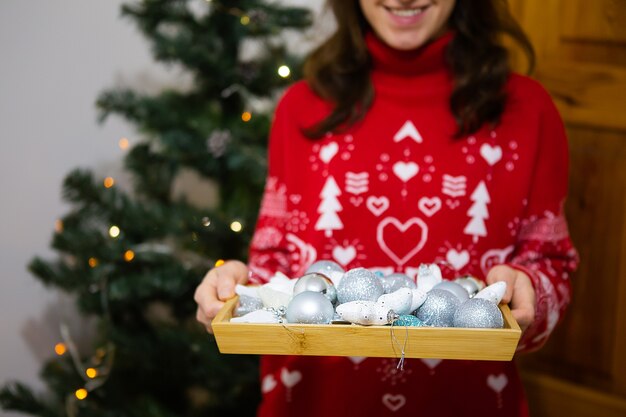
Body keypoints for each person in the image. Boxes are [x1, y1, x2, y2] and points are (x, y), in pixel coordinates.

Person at [195, 0, 579, 416]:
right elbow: (277, 271)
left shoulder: (527, 110)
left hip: (469, 402)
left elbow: (550, 266)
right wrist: (241, 287)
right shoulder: (301, 108)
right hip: (312, 402)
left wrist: (531, 291)